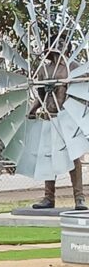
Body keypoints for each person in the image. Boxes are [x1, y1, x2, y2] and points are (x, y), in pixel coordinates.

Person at [28, 46, 87, 210]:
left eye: (62, 44)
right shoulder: (45, 70)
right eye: (57, 44)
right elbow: (41, 94)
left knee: (73, 157)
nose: (60, 47)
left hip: (67, 117)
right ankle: (49, 197)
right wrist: (33, 109)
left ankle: (79, 198)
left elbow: (82, 89)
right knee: (48, 156)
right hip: (49, 117)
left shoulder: (73, 67)